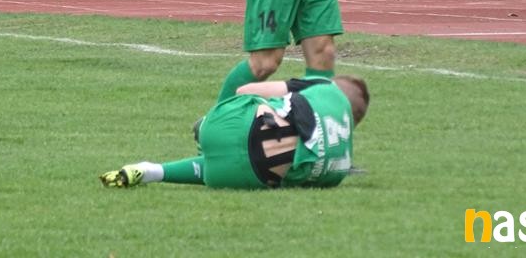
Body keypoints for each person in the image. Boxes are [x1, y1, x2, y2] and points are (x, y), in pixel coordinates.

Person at [99, 75, 369, 190]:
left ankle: (205, 125)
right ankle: (153, 171)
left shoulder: (324, 87)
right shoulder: (340, 170)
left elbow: (245, 90)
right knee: (250, 161)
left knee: (255, 104)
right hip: (235, 176)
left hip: (226, 127)